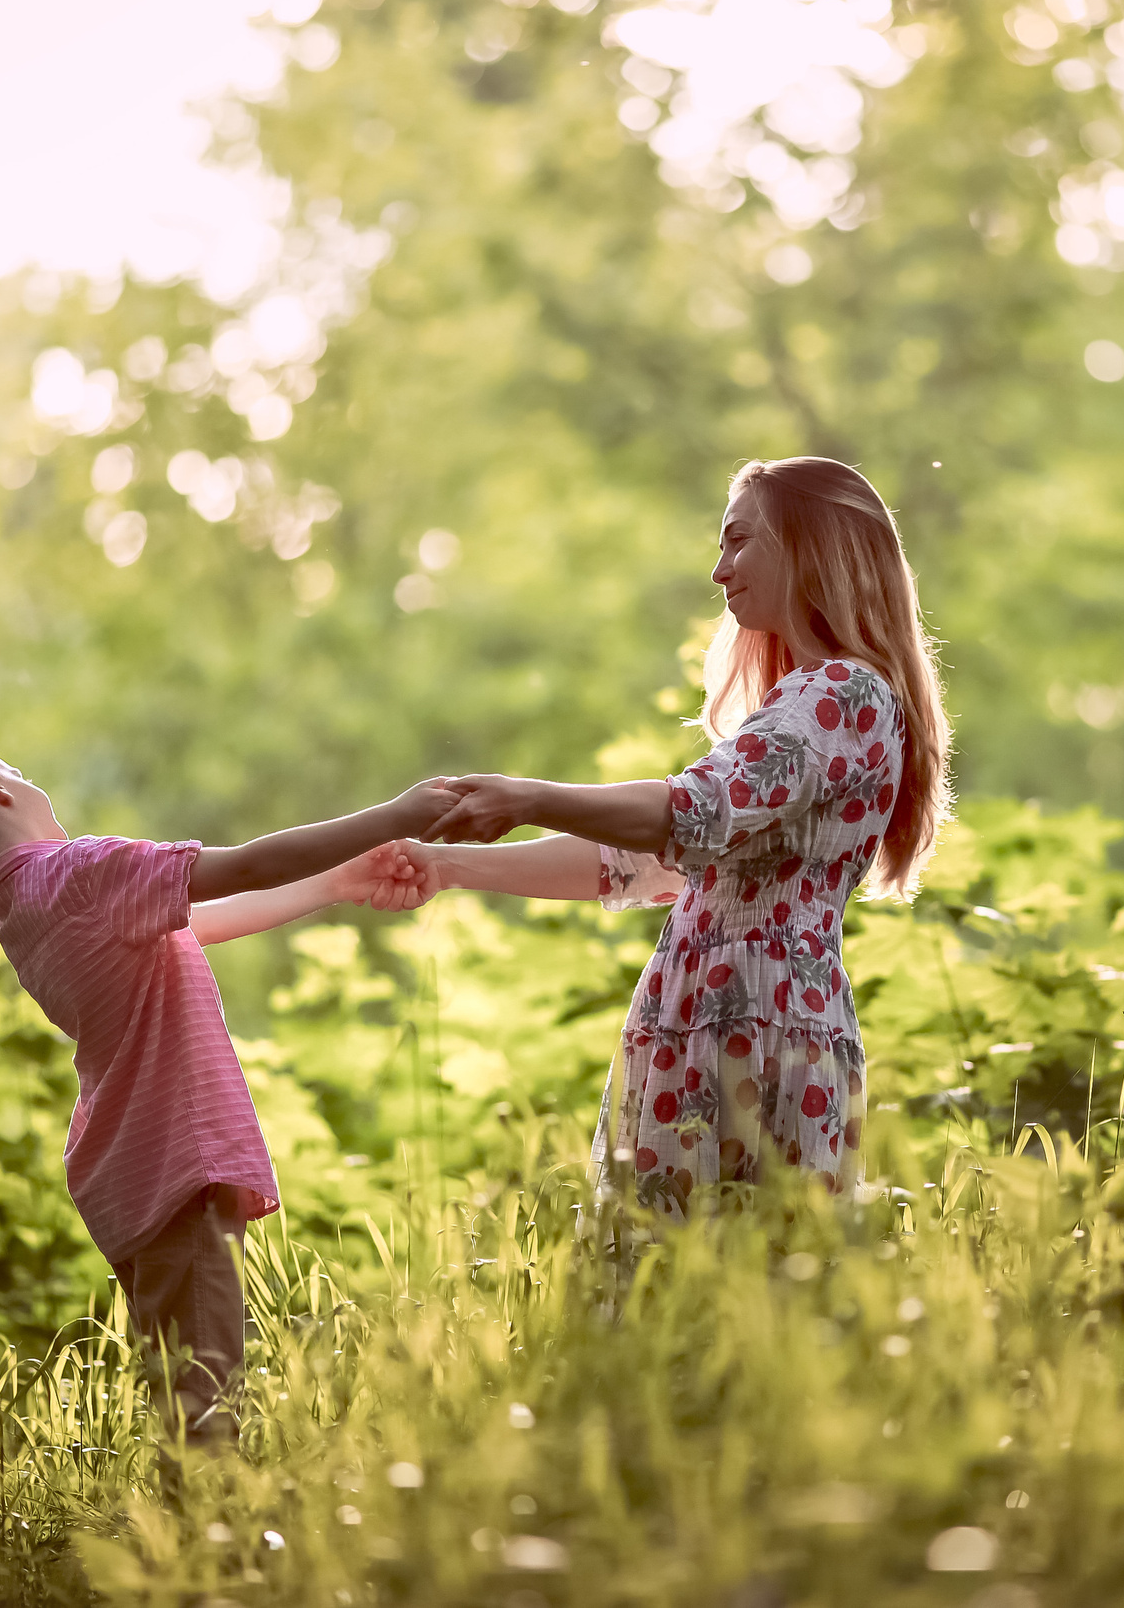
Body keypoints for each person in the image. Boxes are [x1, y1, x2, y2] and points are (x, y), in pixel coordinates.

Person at [399, 457, 952, 1212]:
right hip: (724, 1024)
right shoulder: (820, 700)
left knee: (723, 1293)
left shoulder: (840, 694)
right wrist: (447, 865)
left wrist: (530, 797)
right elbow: (640, 861)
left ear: (808, 546)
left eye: (739, 541)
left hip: (755, 1032)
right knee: (683, 1294)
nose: (720, 571)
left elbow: (695, 809)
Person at [0, 746, 449, 1441]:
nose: (34, 779)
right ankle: (212, 1538)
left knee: (184, 1388)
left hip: (132, 1170)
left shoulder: (25, 906)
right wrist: (396, 814)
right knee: (206, 1403)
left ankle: (196, 1530)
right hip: (175, 1166)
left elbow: (198, 924)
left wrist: (334, 883)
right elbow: (248, 864)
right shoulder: (82, 873)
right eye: (20, 769)